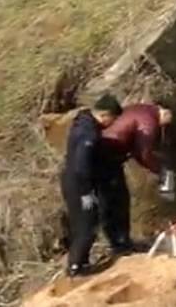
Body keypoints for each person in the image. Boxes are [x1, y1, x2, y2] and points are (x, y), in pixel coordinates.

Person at [97, 103, 174, 256]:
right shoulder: (149, 122)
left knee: (111, 201)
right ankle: (121, 244)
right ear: (163, 115)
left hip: (103, 152)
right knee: (117, 201)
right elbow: (144, 152)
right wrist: (159, 169)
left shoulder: (143, 108)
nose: (161, 129)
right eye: (163, 125)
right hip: (106, 159)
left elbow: (137, 150)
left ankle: (118, 243)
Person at [60, 93, 123, 278]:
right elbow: (82, 166)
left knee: (85, 223)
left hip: (74, 180)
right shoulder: (88, 134)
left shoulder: (84, 121)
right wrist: (86, 192)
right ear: (105, 114)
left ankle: (81, 262)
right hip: (78, 184)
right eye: (112, 119)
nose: (112, 124)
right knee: (86, 226)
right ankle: (75, 268)